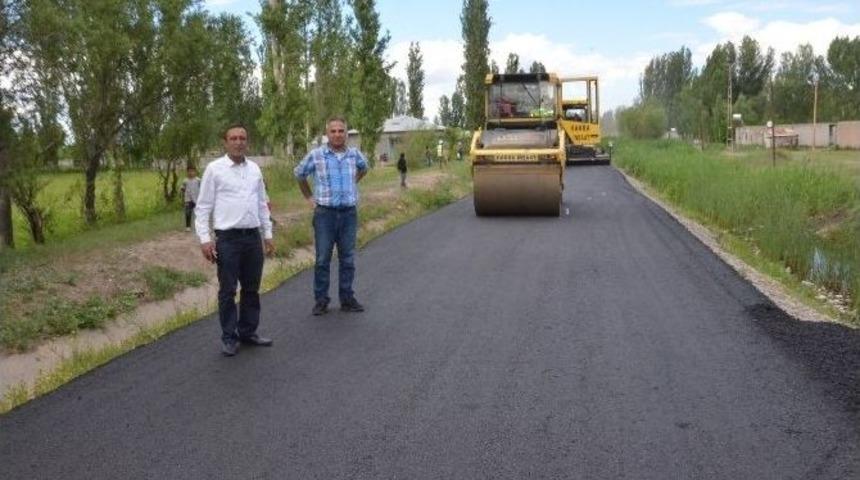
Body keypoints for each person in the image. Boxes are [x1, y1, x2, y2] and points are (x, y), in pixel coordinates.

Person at [195, 124, 275, 357]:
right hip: (228, 240)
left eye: (242, 138)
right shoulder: (214, 169)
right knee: (228, 290)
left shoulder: (254, 170)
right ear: (225, 142)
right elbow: (203, 207)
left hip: (252, 238)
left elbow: (262, 203)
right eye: (233, 138)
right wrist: (204, 239)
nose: (239, 142)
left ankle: (248, 332)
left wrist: (267, 234)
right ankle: (229, 337)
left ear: (247, 142)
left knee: (252, 289)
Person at [294, 116, 368, 316]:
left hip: (348, 214)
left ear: (346, 133)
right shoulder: (316, 155)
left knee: (348, 259)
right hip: (324, 215)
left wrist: (353, 183)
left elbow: (364, 168)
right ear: (327, 134)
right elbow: (300, 174)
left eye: (341, 131)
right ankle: (321, 300)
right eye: (333, 131)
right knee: (322, 259)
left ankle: (347, 298)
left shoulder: (354, 155)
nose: (337, 134)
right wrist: (309, 197)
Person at [180, 166, 200, 232]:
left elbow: (203, 189)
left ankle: (199, 226)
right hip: (188, 199)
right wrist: (182, 199)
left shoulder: (198, 180)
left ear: (195, 172)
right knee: (188, 212)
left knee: (198, 213)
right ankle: (188, 226)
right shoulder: (185, 180)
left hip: (197, 199)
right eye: (189, 171)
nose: (191, 173)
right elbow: (182, 189)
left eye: (192, 171)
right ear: (187, 172)